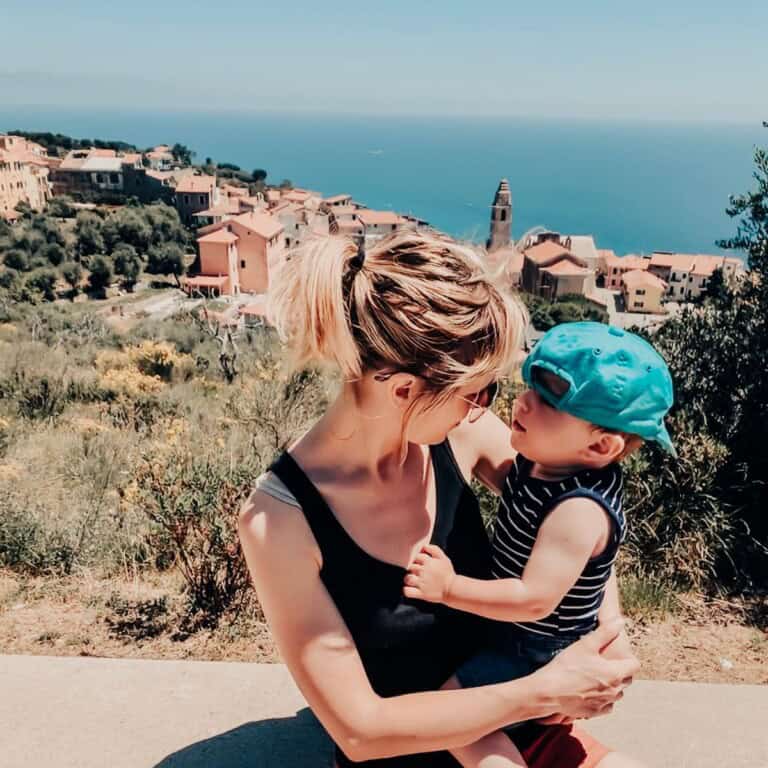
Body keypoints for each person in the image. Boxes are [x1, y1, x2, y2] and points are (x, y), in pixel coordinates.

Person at [238, 232, 641, 768]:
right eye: (478, 393)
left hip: (524, 726)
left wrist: (605, 636)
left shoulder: (460, 432)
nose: (485, 410)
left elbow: (574, 515)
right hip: (408, 754)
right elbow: (359, 730)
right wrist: (545, 689)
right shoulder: (280, 520)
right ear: (404, 390)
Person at [404, 322, 675, 767]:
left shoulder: (578, 509)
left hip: (534, 648)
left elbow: (533, 600)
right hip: (517, 636)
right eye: (530, 386)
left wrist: (448, 588)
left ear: (600, 445)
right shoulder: (545, 462)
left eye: (549, 402)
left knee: (456, 712)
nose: (523, 402)